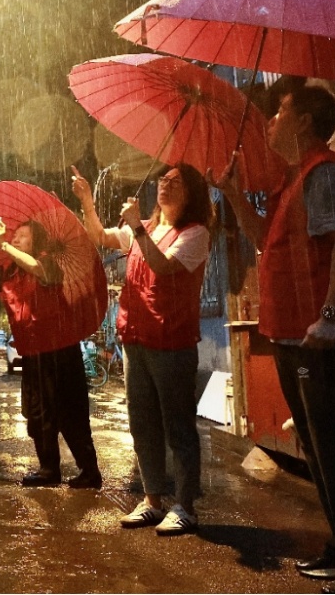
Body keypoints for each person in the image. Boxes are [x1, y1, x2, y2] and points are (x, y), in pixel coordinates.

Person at [209, 86, 335, 594]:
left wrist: (331, 316)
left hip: (327, 339)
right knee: (321, 451)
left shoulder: (327, 173)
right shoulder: (291, 182)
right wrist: (232, 194)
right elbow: (262, 240)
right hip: (296, 338)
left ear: (303, 122)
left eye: (279, 112)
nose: (270, 120)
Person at [71, 162, 213, 536]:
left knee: (177, 425)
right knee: (143, 424)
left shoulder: (195, 233)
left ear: (192, 193)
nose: (165, 185)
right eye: (163, 180)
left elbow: (163, 266)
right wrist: (87, 199)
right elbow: (99, 236)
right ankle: (153, 500)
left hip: (171, 341)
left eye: (176, 182)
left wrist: (135, 225)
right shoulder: (146, 229)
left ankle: (184, 504)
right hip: (135, 338)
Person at [0, 217, 102, 489]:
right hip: (33, 351)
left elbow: (40, 271)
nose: (15, 238)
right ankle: (48, 469)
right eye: (14, 235)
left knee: (70, 412)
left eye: (22, 236)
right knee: (37, 411)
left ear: (36, 242)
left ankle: (89, 471)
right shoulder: (9, 271)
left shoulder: (48, 262)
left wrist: (5, 244)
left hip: (59, 348)